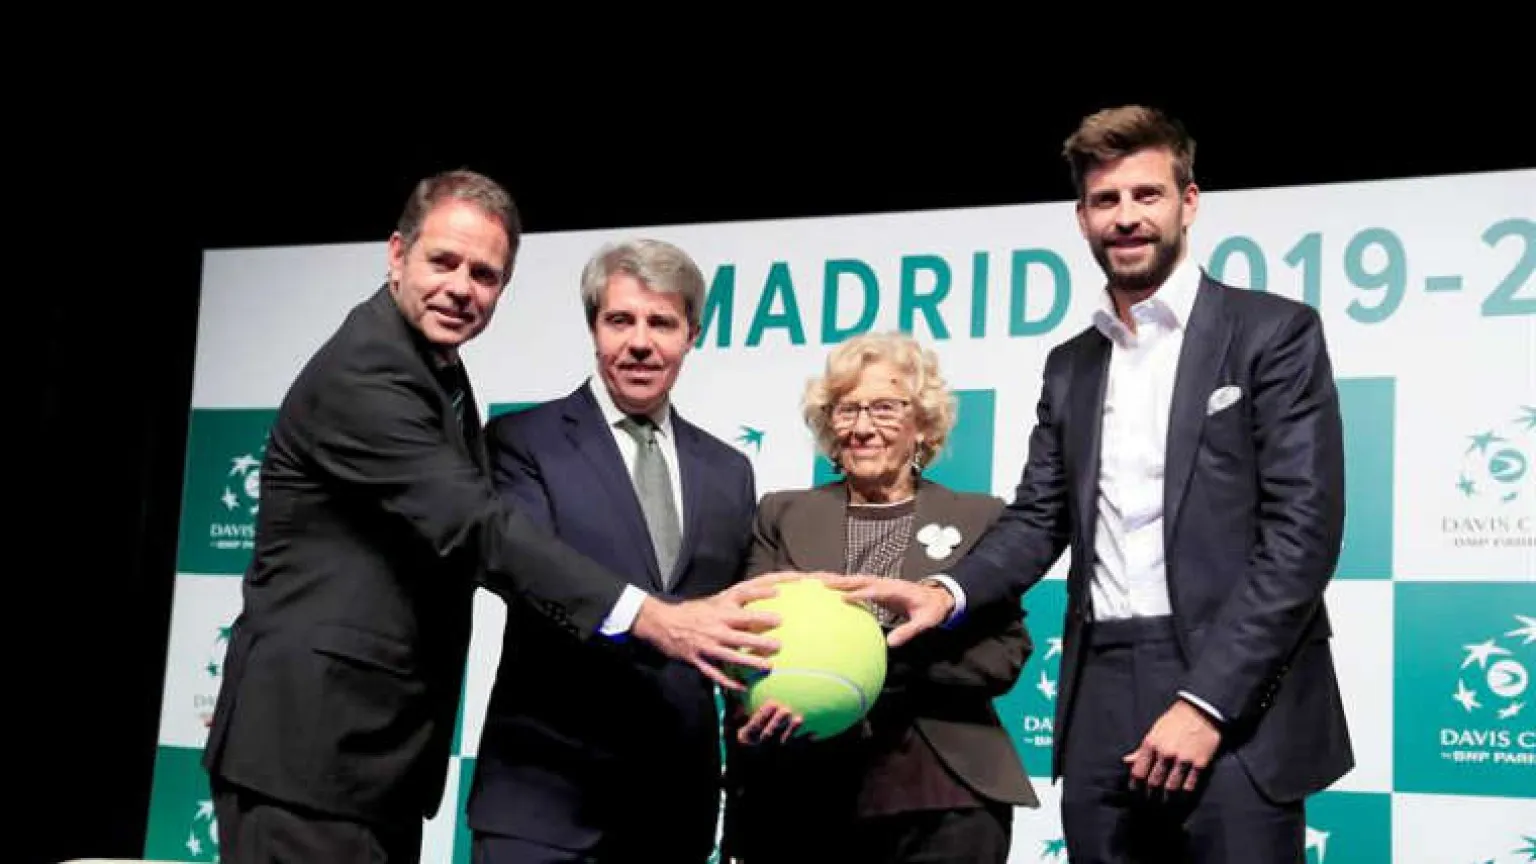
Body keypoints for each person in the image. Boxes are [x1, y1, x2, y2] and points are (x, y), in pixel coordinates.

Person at [202, 171, 790, 864]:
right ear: (397, 255)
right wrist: (655, 617)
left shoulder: (432, 369)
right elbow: (479, 528)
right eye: (443, 261)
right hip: (310, 744)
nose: (461, 287)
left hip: (369, 755)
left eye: (484, 274)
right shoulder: (369, 371)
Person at [831, 106, 1354, 863]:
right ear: (1082, 218)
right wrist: (946, 593)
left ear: (1188, 203)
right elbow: (1038, 518)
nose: (1127, 216)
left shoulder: (1274, 332)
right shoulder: (1070, 365)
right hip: (1099, 686)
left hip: (1236, 692)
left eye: (1147, 194)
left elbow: (1303, 534)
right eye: (1106, 200)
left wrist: (1208, 703)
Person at [465, 238, 763, 862]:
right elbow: (521, 569)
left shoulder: (728, 471)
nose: (640, 342)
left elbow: (736, 632)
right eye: (620, 320)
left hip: (674, 808)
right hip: (544, 797)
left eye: (662, 323)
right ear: (594, 327)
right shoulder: (523, 441)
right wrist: (653, 619)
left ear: (692, 334)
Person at [721, 331, 1038, 864]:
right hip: (805, 788)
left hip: (943, 789)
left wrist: (874, 655)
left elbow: (1004, 654)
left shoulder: (979, 516)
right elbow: (743, 637)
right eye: (846, 410)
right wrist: (753, 707)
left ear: (923, 424)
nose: (863, 427)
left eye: (885, 408)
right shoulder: (782, 513)